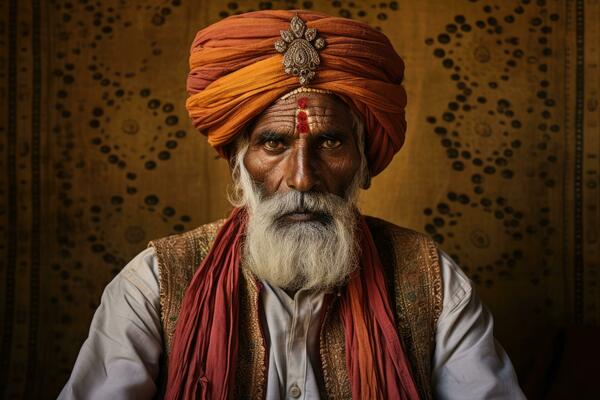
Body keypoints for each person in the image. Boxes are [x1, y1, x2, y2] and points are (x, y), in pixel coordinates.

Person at [59, 10, 525, 400]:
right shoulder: (155, 284)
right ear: (237, 166)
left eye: (331, 143)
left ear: (362, 163)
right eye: (274, 143)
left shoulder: (431, 280)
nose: (302, 177)